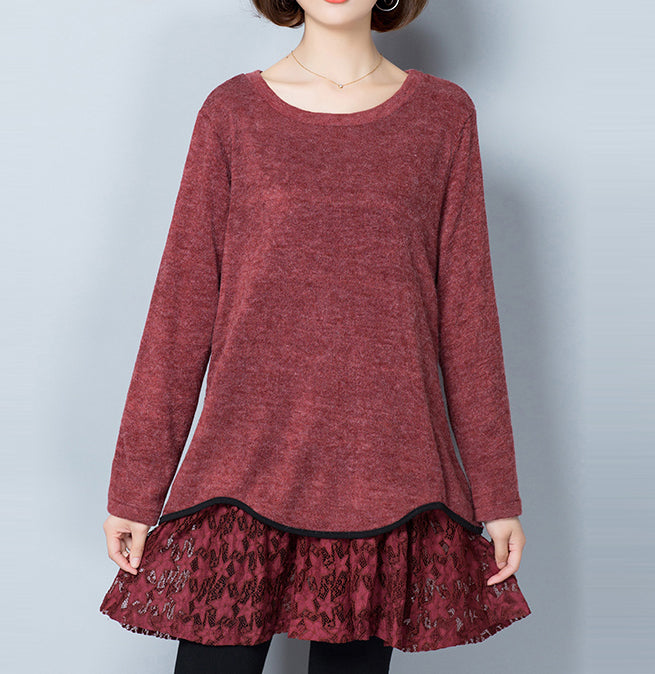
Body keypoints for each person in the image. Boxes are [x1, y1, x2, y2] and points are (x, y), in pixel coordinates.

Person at [99, 1, 532, 672]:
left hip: (384, 478)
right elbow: (181, 306)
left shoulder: (443, 117)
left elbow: (468, 318)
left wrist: (497, 496)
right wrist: (135, 488)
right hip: (243, 469)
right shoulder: (232, 114)